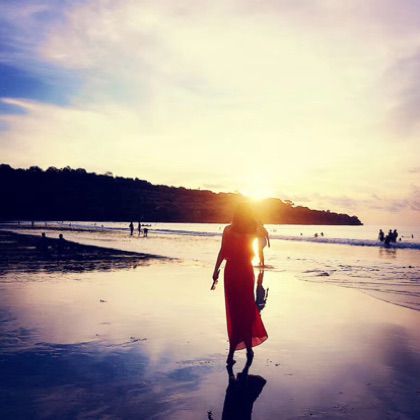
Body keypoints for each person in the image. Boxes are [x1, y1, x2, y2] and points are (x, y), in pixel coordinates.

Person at [211, 203, 268, 365]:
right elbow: (264, 237)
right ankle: (248, 349)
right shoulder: (253, 230)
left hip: (231, 272)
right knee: (247, 309)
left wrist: (215, 270)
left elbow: (222, 251)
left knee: (234, 310)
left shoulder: (228, 230)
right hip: (246, 271)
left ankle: (232, 353)